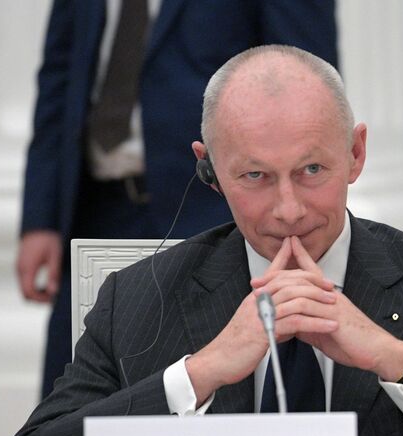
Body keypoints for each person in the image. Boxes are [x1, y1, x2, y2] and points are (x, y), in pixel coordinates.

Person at [2, 45, 403, 436]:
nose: (289, 209)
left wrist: (398, 363)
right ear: (209, 170)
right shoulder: (136, 299)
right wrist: (199, 374)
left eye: (311, 170)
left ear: (355, 154)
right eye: (255, 176)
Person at [17, 0, 338, 398]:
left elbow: (308, 86)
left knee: (216, 396)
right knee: (75, 401)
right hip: (97, 209)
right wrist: (41, 216)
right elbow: (60, 77)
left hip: (213, 211)